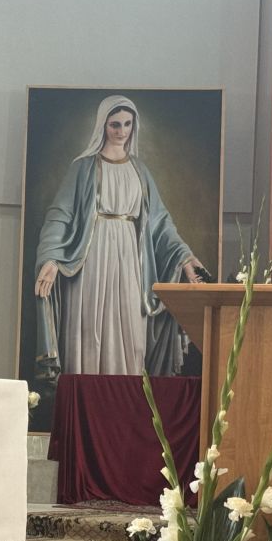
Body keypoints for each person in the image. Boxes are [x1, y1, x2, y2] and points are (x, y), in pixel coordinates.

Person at [33, 95, 204, 380]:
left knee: (131, 335)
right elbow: (60, 215)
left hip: (129, 260)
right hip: (91, 259)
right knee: (89, 330)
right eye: (115, 124)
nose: (121, 131)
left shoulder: (140, 171)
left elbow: (160, 223)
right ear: (103, 125)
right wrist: (51, 258)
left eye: (127, 124)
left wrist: (185, 257)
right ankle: (89, 401)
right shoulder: (83, 167)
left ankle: (125, 400)